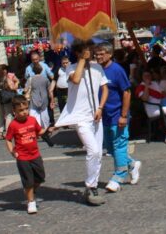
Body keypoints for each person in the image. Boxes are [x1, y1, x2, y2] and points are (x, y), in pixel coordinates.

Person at [52, 39, 108, 206]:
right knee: (93, 150)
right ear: (78, 52)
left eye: (90, 49)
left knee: (98, 153)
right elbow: (76, 80)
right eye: (86, 49)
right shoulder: (70, 69)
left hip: (96, 115)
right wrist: (82, 61)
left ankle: (93, 185)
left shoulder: (98, 68)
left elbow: (105, 88)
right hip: (80, 117)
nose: (90, 51)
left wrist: (100, 107)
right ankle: (91, 187)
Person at [95, 44, 142, 193]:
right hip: (104, 117)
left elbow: (127, 93)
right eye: (96, 54)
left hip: (117, 115)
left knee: (119, 145)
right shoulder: (97, 70)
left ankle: (118, 177)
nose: (98, 57)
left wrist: (123, 115)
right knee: (110, 149)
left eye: (101, 53)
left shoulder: (117, 70)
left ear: (109, 54)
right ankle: (132, 165)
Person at [4, 97, 47, 215]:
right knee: (28, 181)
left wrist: (49, 129)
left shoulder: (32, 120)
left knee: (40, 177)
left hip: (35, 155)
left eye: (26, 109)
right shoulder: (13, 125)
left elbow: (39, 131)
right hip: (22, 157)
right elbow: (8, 139)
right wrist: (12, 151)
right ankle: (31, 201)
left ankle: (30, 190)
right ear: (14, 111)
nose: (24, 112)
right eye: (21, 110)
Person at [25, 51, 56, 124]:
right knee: (36, 108)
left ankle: (51, 123)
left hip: (44, 87)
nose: (35, 61)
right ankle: (38, 124)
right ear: (31, 59)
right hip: (34, 90)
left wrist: (53, 81)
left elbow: (51, 76)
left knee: (48, 107)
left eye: (36, 59)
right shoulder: (28, 68)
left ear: (39, 58)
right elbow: (26, 78)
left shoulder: (44, 65)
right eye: (33, 59)